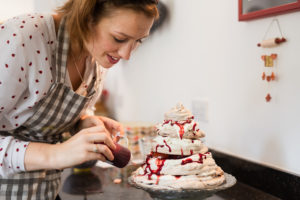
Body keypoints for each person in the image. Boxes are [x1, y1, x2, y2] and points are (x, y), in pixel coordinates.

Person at [0, 0, 158, 199]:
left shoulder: (96, 56)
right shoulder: (23, 37)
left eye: (138, 41)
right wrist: (55, 154)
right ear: (87, 18)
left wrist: (83, 123)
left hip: (45, 192)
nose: (126, 54)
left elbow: (60, 112)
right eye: (119, 38)